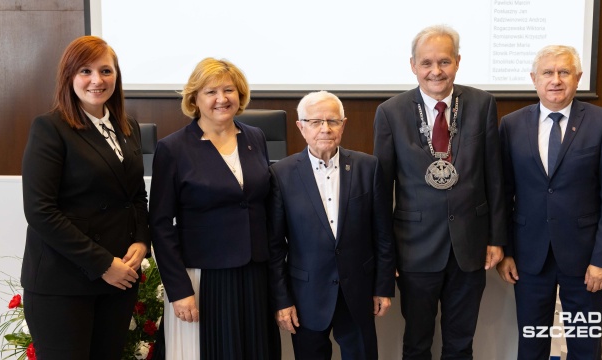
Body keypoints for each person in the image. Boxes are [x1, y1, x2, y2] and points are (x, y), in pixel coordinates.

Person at [372, 25, 507, 359]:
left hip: (470, 246)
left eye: (444, 61)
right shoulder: (390, 112)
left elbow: (495, 178)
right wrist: (385, 254)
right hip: (414, 248)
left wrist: (497, 237)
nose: (436, 71)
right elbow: (380, 190)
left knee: (461, 343)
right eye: (427, 62)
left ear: (458, 62)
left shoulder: (482, 104)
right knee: (417, 342)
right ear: (413, 65)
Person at [20, 35, 150, 360]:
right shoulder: (50, 128)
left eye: (106, 71)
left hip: (117, 281)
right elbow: (40, 211)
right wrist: (103, 264)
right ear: (69, 77)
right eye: (85, 71)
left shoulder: (128, 126)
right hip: (63, 283)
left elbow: (136, 196)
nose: (97, 80)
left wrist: (141, 240)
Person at [496, 45, 602, 359]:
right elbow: (503, 194)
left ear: (578, 78)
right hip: (529, 256)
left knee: (584, 343)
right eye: (547, 72)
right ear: (534, 79)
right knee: (531, 342)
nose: (555, 80)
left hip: (585, 258)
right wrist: (506, 251)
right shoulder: (511, 125)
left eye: (563, 72)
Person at [150, 58, 280, 359]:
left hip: (255, 273)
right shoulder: (173, 148)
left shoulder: (255, 137)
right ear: (194, 98)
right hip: (205, 277)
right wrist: (178, 289)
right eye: (211, 92)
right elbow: (159, 223)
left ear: (240, 94)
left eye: (229, 90)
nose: (221, 99)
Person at [269, 91, 395, 360]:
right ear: (300, 127)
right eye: (315, 122)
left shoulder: (368, 167)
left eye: (332, 121)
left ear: (343, 125)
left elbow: (383, 234)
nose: (325, 128)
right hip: (306, 296)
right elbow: (275, 247)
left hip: (358, 292)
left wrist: (383, 287)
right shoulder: (281, 174)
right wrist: (282, 300)